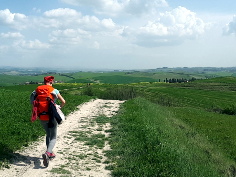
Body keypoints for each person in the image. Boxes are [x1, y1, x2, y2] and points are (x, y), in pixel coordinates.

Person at [30, 76, 66, 167]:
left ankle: (50, 152)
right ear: (51, 82)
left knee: (48, 134)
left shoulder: (37, 90)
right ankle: (48, 153)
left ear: (44, 82)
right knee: (53, 137)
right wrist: (59, 107)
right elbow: (64, 101)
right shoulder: (54, 90)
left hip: (42, 116)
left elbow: (32, 101)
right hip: (52, 117)